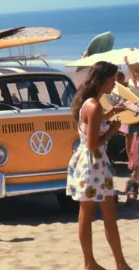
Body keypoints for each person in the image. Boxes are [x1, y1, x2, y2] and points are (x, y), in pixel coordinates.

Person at [67, 61, 132, 270]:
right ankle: (111, 263)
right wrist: (113, 130)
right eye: (112, 79)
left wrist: (111, 114)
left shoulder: (88, 103)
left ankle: (95, 263)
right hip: (94, 164)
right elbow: (93, 142)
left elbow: (91, 125)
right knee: (106, 216)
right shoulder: (94, 106)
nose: (114, 84)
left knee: (88, 214)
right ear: (102, 80)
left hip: (89, 164)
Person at [123, 58, 139, 202]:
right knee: (135, 156)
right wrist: (128, 67)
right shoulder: (134, 85)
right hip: (135, 119)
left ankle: (132, 190)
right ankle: (132, 189)